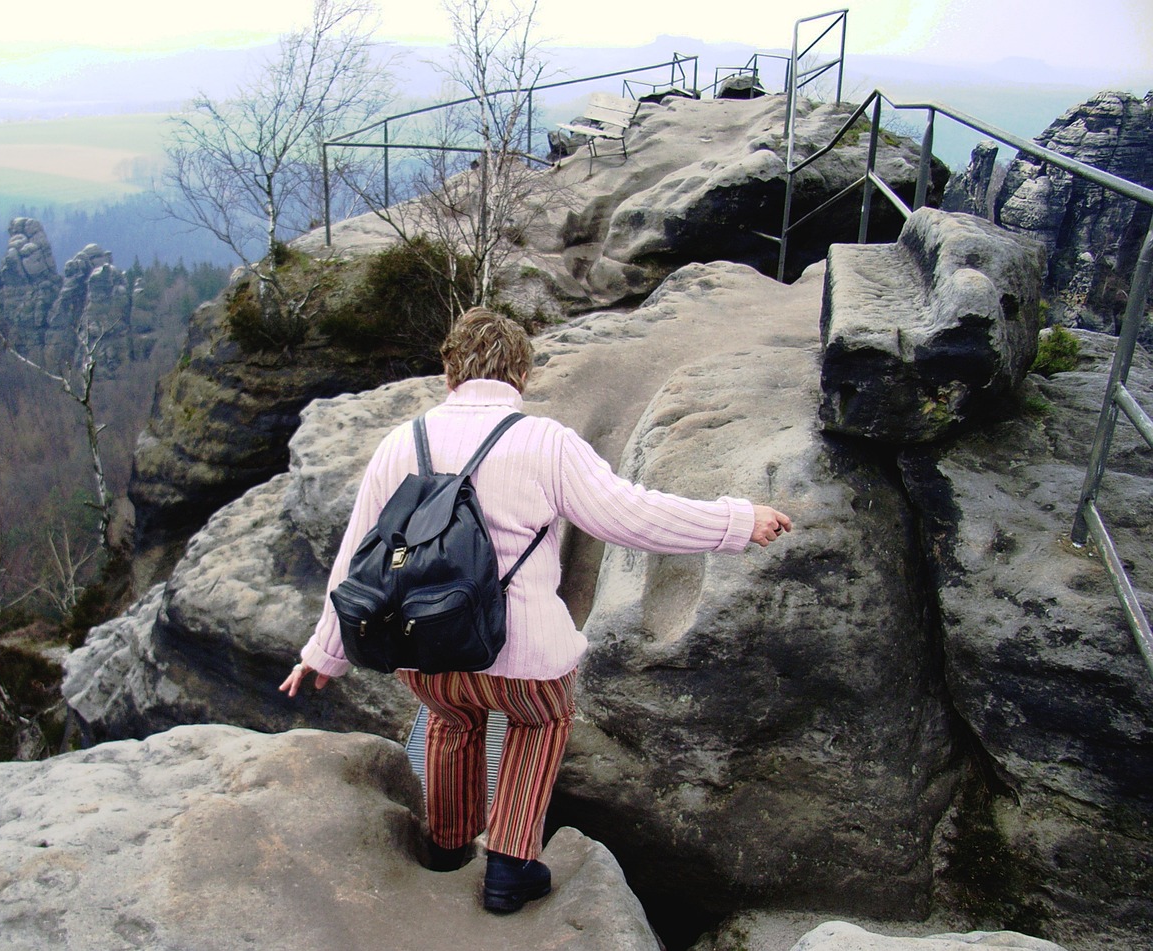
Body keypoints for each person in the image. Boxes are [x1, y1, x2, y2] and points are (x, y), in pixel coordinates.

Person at [280, 307, 792, 913]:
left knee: (452, 722)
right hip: (525, 662)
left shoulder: (400, 443)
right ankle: (508, 868)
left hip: (427, 651)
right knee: (537, 723)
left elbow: (356, 562)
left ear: (450, 371)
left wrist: (324, 654)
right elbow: (631, 517)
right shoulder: (544, 442)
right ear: (521, 373)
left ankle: (447, 848)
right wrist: (735, 521)